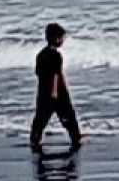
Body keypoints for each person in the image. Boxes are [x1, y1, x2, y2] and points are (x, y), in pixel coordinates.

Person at [30, 23, 83, 151]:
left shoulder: (41, 54)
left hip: (43, 91)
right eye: (62, 38)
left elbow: (38, 73)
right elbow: (56, 74)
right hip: (58, 92)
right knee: (69, 115)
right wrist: (55, 91)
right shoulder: (56, 55)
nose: (63, 41)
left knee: (41, 117)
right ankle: (76, 138)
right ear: (56, 38)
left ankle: (34, 138)